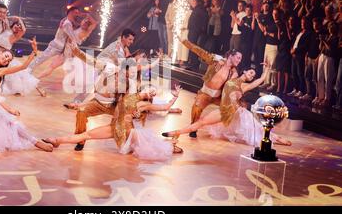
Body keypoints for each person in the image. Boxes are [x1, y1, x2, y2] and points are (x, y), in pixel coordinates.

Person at [162, 63, 291, 147]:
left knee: (256, 130)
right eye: (251, 73)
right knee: (202, 121)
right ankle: (176, 132)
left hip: (237, 112)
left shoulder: (244, 86)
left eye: (253, 75)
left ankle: (278, 139)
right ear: (245, 71)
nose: (251, 76)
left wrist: (267, 70)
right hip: (224, 111)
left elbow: (259, 81)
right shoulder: (232, 77)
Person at [43, 85, 183, 161]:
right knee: (87, 135)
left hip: (126, 130)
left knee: (149, 146)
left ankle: (170, 146)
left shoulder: (143, 104)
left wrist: (174, 97)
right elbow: (106, 97)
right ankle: (57, 141)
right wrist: (79, 105)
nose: (151, 93)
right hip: (114, 127)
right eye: (149, 90)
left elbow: (165, 107)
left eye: (152, 93)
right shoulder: (127, 95)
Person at [179, 39, 241, 138]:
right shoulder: (215, 61)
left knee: (238, 108)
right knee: (197, 108)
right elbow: (199, 51)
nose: (239, 61)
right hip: (205, 94)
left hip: (218, 98)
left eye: (240, 59)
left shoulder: (234, 73)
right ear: (230, 56)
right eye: (238, 58)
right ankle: (193, 128)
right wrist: (184, 41)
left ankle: (236, 131)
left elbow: (234, 88)